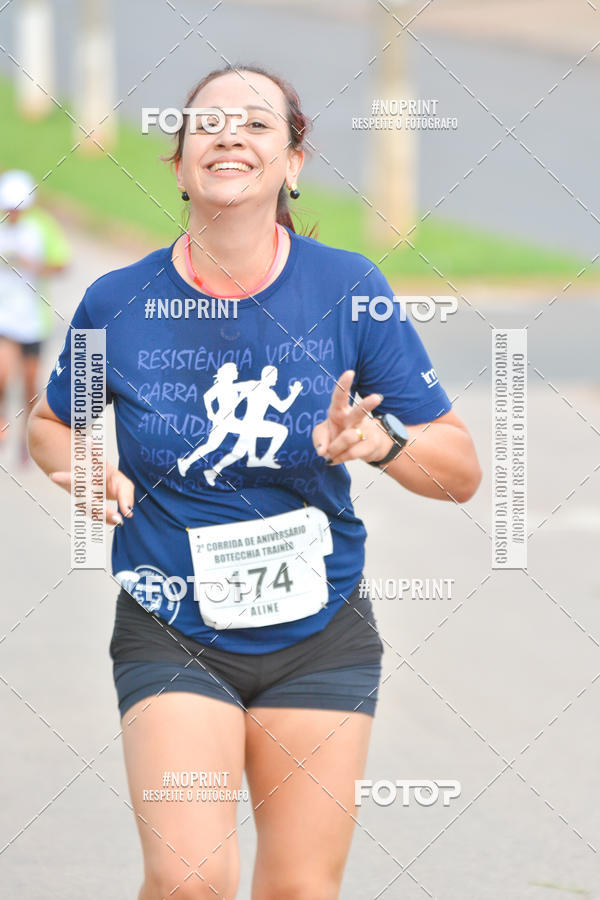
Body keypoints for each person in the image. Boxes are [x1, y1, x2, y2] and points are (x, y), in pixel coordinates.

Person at [28, 64, 482, 900]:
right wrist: (81, 467)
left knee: (298, 890)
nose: (229, 134)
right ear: (178, 163)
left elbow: (460, 470)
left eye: (257, 123)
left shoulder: (349, 290)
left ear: (293, 163)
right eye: (207, 123)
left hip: (321, 634)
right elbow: (52, 424)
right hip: (172, 625)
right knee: (190, 880)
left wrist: (379, 443)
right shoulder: (116, 303)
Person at [0, 169, 70, 462]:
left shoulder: (43, 227)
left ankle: (28, 438)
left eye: (17, 209)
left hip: (32, 320)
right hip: (4, 318)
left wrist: (32, 265)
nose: (13, 214)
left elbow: (61, 264)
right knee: (2, 376)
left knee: (30, 384)